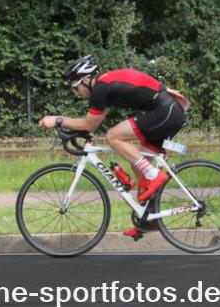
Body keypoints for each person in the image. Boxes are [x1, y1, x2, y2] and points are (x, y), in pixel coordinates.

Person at [38, 55, 189, 238]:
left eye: (76, 87)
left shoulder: (101, 87)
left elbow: (88, 125)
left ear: (86, 80)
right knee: (137, 164)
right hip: (167, 112)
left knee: (113, 136)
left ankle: (155, 175)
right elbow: (93, 122)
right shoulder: (103, 88)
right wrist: (72, 128)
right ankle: (148, 220)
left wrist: (57, 120)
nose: (76, 93)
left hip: (166, 111)